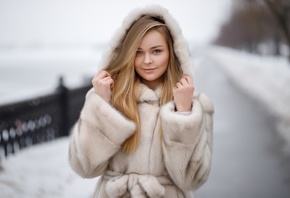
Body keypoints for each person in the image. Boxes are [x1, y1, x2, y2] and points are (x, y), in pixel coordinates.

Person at [68, 5, 214, 198]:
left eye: (156, 51)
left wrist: (184, 114)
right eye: (138, 52)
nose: (147, 60)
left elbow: (192, 180)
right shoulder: (111, 98)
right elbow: (84, 167)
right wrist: (102, 106)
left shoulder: (194, 105)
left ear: (172, 53)